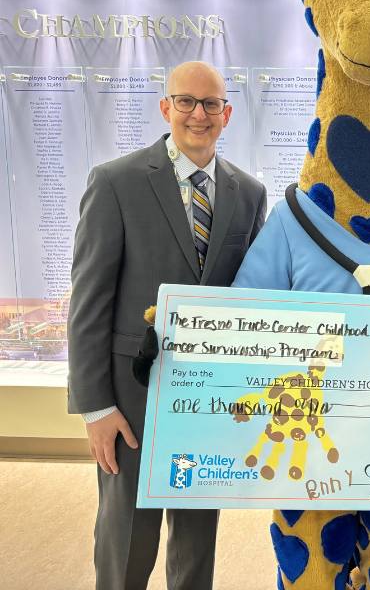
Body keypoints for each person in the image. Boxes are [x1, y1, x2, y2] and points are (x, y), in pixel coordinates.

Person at [67, 61, 267, 590]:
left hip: (209, 397)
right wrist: (96, 407)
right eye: (185, 102)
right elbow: (88, 302)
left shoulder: (248, 193)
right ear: (166, 108)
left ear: (227, 114)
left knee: (198, 533)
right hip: (130, 398)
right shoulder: (115, 181)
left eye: (210, 105)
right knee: (128, 535)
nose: (198, 115)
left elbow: (250, 299)